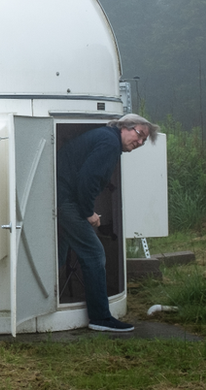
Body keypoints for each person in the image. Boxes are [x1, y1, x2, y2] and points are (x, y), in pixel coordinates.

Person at [56, 113, 159, 332]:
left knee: (59, 252)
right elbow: (88, 178)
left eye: (143, 141)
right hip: (68, 202)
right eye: (139, 135)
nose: (139, 143)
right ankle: (100, 318)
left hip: (61, 198)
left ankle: (38, 298)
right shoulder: (110, 143)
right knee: (94, 254)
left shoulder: (105, 138)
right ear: (124, 127)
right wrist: (88, 212)